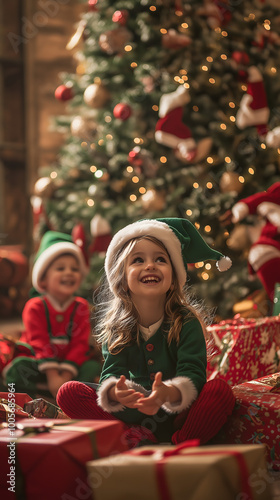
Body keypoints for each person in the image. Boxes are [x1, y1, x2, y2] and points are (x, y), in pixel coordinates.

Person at [57, 218, 235, 445]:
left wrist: (167, 393)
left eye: (160, 259)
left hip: (178, 413)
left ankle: (180, 444)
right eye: (138, 260)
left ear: (173, 278)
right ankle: (130, 438)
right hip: (133, 414)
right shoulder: (118, 326)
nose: (150, 265)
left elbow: (193, 375)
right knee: (68, 392)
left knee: (220, 391)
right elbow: (111, 375)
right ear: (122, 279)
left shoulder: (186, 322)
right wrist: (116, 393)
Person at [3, 231, 101, 398]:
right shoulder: (35, 306)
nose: (69, 272)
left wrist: (66, 376)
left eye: (75, 269)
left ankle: (74, 400)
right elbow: (39, 342)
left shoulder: (82, 306)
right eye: (60, 268)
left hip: (70, 366)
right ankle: (24, 404)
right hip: (39, 362)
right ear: (43, 279)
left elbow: (80, 343)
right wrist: (53, 374)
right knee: (18, 368)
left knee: (92, 368)